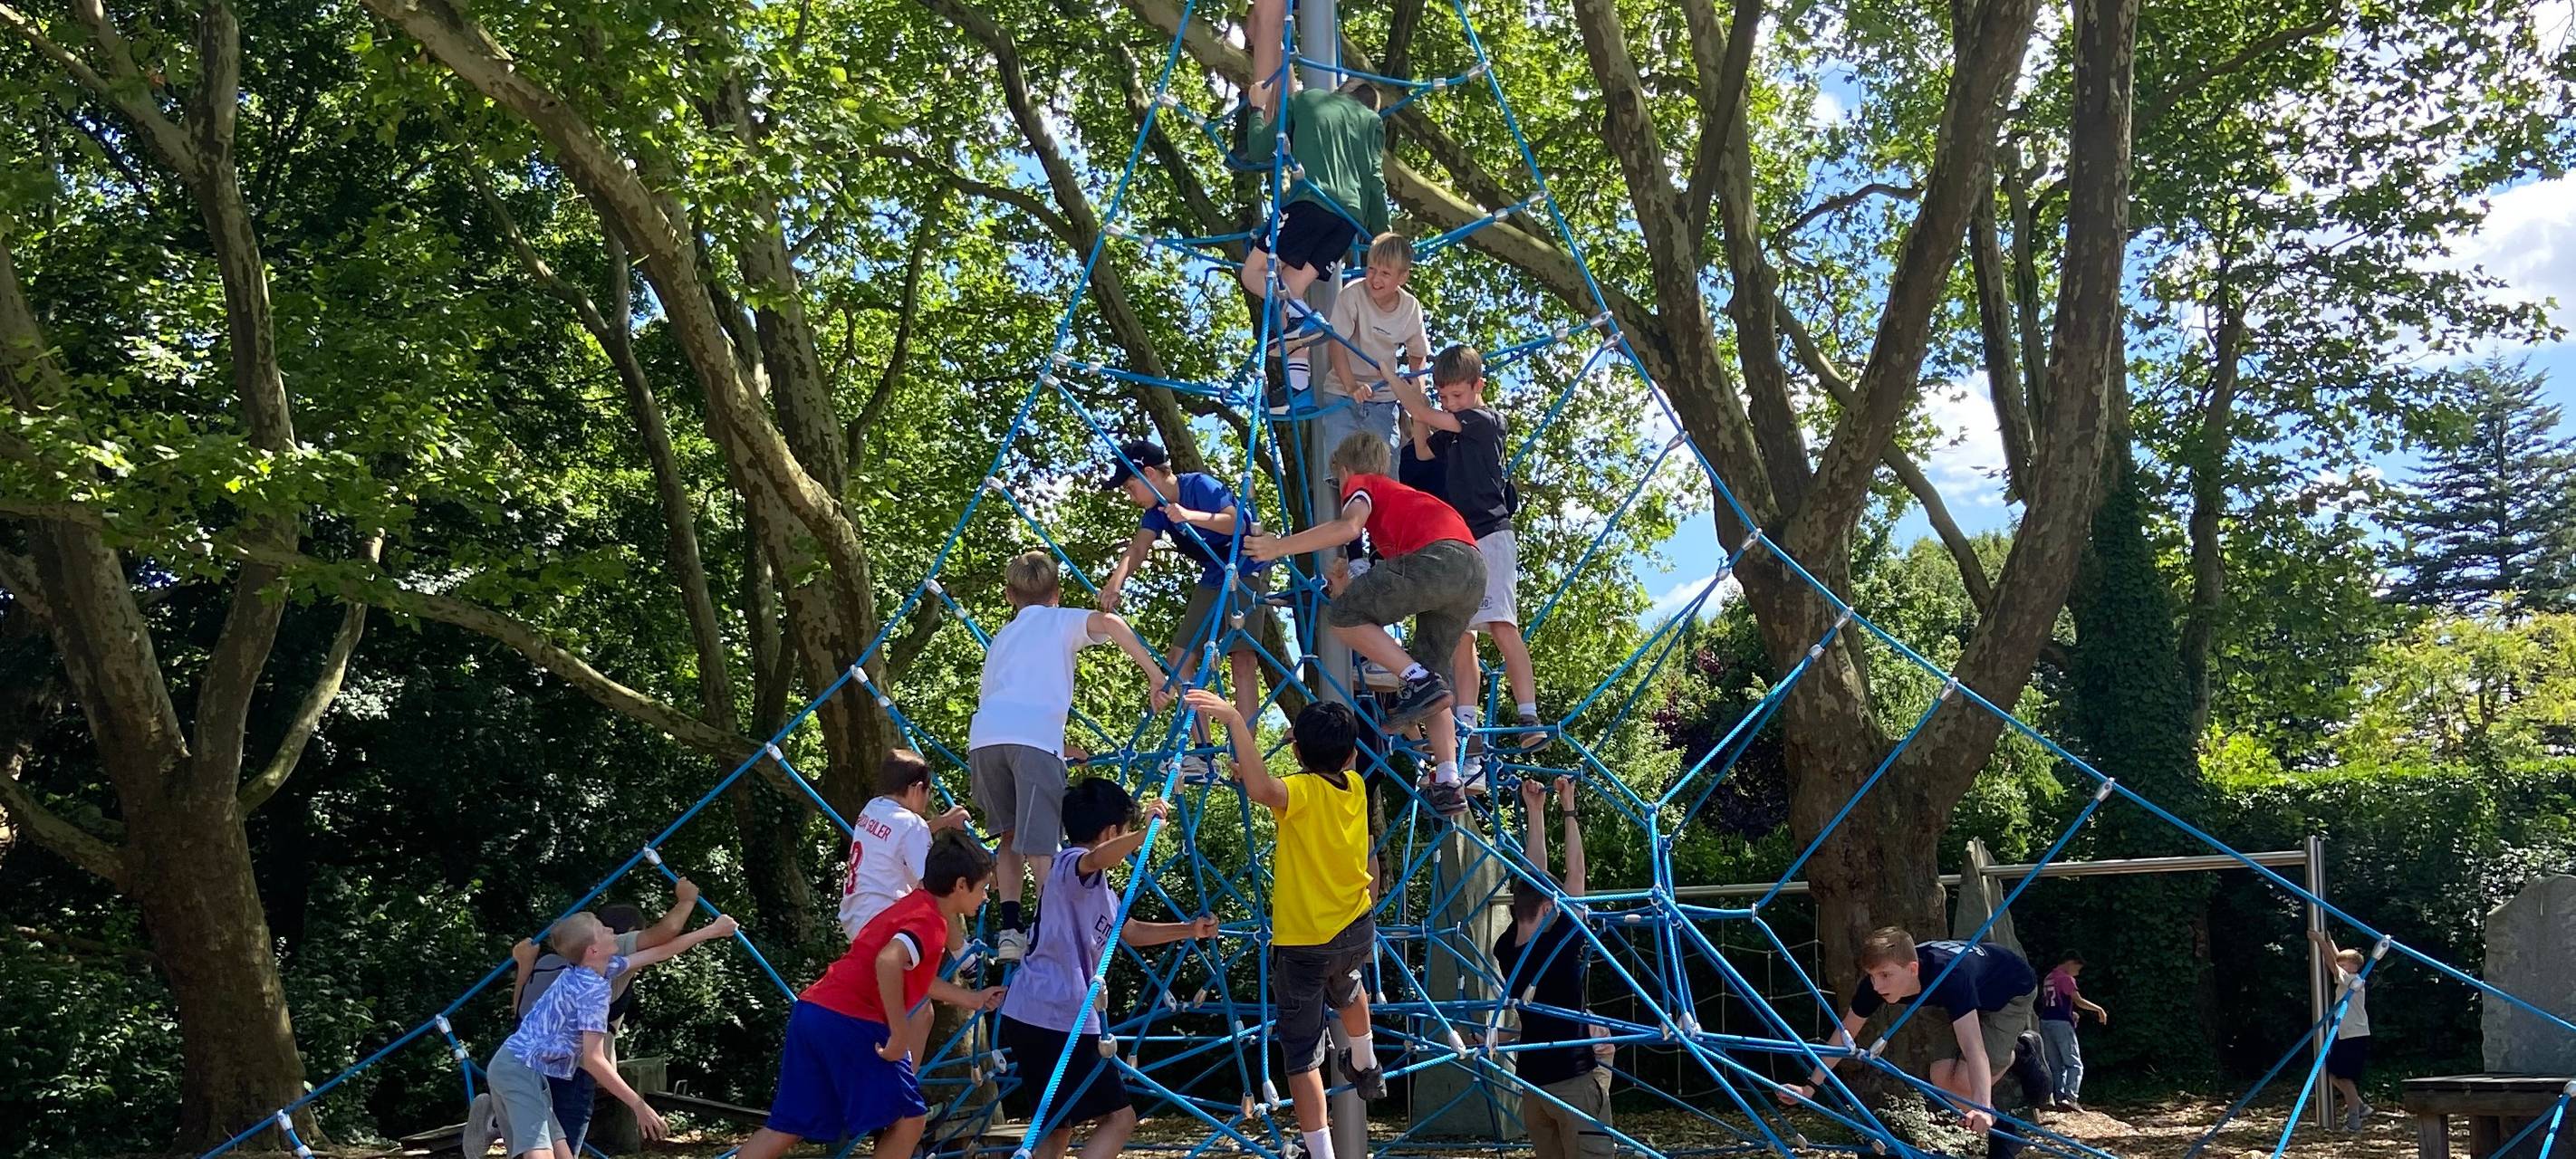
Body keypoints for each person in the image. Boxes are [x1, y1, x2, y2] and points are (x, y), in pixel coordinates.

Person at [1192, 689, 1385, 1159]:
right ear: (1352, 754)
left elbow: (1266, 790)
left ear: (1296, 752)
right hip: (1356, 925)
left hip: (1304, 944)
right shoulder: (1355, 787)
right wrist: (1256, 769)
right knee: (1349, 985)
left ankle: (1322, 1153)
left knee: (1301, 1056)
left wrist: (1238, 722)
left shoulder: (1297, 792)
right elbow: (1275, 788)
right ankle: (1366, 1061)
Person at [1249, 432, 1482, 819]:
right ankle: (1448, 777)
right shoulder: (1405, 506)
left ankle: (1414, 677)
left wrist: (1278, 547)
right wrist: (1345, 588)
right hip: (1471, 570)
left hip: (1439, 557)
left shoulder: (1363, 484)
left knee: (1341, 619)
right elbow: (1384, 596)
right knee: (1434, 681)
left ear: (1344, 471)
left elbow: (1348, 528)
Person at [735, 832, 1010, 1159]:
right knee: (911, 1118)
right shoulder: (930, 922)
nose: (985, 898)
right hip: (849, 1020)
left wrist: (974, 999)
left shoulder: (913, 905)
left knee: (786, 1126)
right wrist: (898, 1032)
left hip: (813, 1011)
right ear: (962, 885)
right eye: (983, 889)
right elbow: (888, 961)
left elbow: (913, 977)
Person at [996, 778, 1221, 1159]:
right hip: (1056, 1016)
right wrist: (1147, 829)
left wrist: (1189, 930)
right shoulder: (1070, 865)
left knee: (1056, 1126)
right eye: (1127, 830)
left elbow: (1128, 931)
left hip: (1041, 1014)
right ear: (1111, 831)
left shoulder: (1099, 889)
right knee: (1120, 1118)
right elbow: (1097, 858)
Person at [968, 550, 1167, 961]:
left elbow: (1003, 701)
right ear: (1056, 593)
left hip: (986, 739)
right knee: (1042, 844)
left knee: (1008, 835)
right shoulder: (1061, 621)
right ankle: (1051, 935)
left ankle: (1010, 930)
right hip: (1033, 740)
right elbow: (1111, 623)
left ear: (1010, 596)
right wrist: (1156, 676)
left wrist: (1057, 747)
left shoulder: (1001, 640)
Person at [485, 907, 738, 1159]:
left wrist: (711, 930)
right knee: (540, 1153)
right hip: (517, 1069)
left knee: (563, 1153)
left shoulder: (599, 968)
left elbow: (661, 951)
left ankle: (495, 1117)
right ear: (593, 951)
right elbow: (594, 1060)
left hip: (529, 1068)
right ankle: (494, 1117)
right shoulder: (591, 991)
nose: (609, 929)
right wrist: (638, 1104)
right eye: (601, 929)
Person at [1393, 344, 1544, 758]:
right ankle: (1468, 723)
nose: (1451, 404)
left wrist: (1401, 381)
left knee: (1501, 624)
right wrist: (1418, 401)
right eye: (1445, 397)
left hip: (1490, 534)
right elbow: (1423, 447)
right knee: (1460, 636)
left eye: (1457, 396)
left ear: (1478, 387)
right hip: (1461, 541)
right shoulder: (1454, 429)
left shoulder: (1484, 421)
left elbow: (1426, 416)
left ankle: (1528, 714)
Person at [1100, 439, 1278, 781]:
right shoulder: (1154, 513)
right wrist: (1115, 583)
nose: (1129, 495)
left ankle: (1245, 751)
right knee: (1180, 655)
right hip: (1214, 575)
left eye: (1130, 485)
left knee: (1242, 657)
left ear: (1149, 473)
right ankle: (1202, 754)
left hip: (1246, 563)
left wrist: (1189, 515)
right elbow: (1138, 548)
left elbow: (1236, 522)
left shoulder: (1198, 485)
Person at [1779, 929, 2039, 1159]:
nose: (1877, 985)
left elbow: (1973, 1048)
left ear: (1912, 968)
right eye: (1871, 976)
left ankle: (2022, 1052)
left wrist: (1981, 1107)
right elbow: (1843, 1037)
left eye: (1885, 975)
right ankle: (2002, 1128)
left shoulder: (1950, 977)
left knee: (1964, 1082)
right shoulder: (1876, 985)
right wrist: (1809, 1087)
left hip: (2009, 991)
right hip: (1943, 999)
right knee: (1941, 1078)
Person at [1495, 775, 1611, 1159]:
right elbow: (1576, 874)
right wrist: (1569, 807)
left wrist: (1535, 810)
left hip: (1533, 1086)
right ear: (1548, 908)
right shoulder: (1560, 942)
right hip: (1571, 1080)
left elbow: (1535, 875)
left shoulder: (1506, 946)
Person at [1241, 80, 1388, 334]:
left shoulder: (1306, 99)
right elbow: (1375, 181)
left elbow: (1258, 150)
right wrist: (1384, 236)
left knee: (1252, 273)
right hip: (1347, 222)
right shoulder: (1372, 122)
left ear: (1340, 91)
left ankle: (1309, 319)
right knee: (1292, 288)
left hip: (1309, 204)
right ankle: (1298, 338)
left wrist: (1257, 109)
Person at [1312, 234, 1430, 459]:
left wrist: (1418, 392)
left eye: (1385, 273)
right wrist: (1351, 386)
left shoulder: (1410, 308)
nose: (1375, 279)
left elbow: (1418, 355)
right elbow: (1337, 344)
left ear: (1402, 277)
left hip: (1383, 395)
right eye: (1371, 269)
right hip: (1342, 390)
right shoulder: (1353, 294)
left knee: (1385, 465)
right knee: (1341, 464)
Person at [841, 748, 972, 943]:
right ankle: (964, 957)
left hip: (854, 915)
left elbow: (900, 837)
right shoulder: (912, 825)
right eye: (929, 791)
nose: (928, 799)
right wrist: (960, 951)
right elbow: (934, 890)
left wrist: (943, 821)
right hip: (884, 920)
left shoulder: (873, 808)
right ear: (917, 789)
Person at [2310, 929, 2375, 1130]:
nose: (2340, 966)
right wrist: (2330, 941)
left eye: (2344, 963)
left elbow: (2331, 963)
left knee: (2344, 1078)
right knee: (2332, 1074)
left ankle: (2355, 1119)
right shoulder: (2351, 977)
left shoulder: (2353, 980)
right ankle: (2361, 1106)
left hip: (2353, 1034)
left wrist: (2320, 941)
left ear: (2354, 966)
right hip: (2348, 1034)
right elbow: (2336, 959)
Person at [2035, 952, 2107, 1113]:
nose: (2077, 973)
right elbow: (2078, 1000)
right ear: (2071, 963)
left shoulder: (2049, 978)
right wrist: (2099, 1010)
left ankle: (2058, 1098)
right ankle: (2071, 1098)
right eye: (2078, 968)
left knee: (2055, 1064)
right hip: (2061, 1025)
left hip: (2046, 1022)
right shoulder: (2066, 978)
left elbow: (2054, 1002)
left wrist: (2071, 1012)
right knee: (2074, 1063)